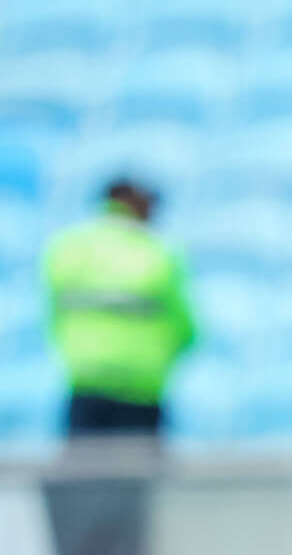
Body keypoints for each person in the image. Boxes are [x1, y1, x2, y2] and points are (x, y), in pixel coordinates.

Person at [43, 177, 194, 437]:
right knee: (136, 472)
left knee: (83, 470)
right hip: (142, 387)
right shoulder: (158, 253)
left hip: (85, 381)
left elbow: (52, 316)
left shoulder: (67, 250)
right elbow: (187, 328)